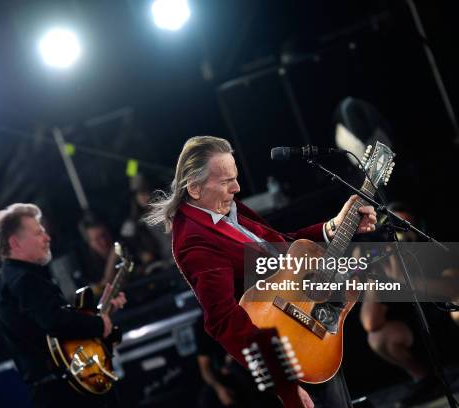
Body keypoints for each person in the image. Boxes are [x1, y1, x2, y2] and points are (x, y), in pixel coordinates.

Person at [146, 136, 377, 408]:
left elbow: (282, 247)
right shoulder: (194, 240)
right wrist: (285, 386)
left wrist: (334, 226)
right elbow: (223, 321)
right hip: (284, 357)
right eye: (225, 181)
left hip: (307, 330)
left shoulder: (227, 209)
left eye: (235, 177)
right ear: (195, 189)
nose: (237, 187)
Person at [0, 203, 126, 408]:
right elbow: (54, 320)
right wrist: (98, 325)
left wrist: (102, 313)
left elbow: (53, 332)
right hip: (66, 394)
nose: (47, 237)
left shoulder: (9, 279)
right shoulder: (23, 279)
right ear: (15, 243)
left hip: (58, 390)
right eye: (38, 233)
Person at [360, 202, 459, 407]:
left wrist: (407, 280)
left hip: (450, 323)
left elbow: (453, 288)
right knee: (378, 337)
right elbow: (371, 323)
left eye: (403, 226)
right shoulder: (385, 263)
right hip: (416, 334)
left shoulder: (435, 249)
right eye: (391, 228)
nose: (399, 235)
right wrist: (370, 277)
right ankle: (425, 380)